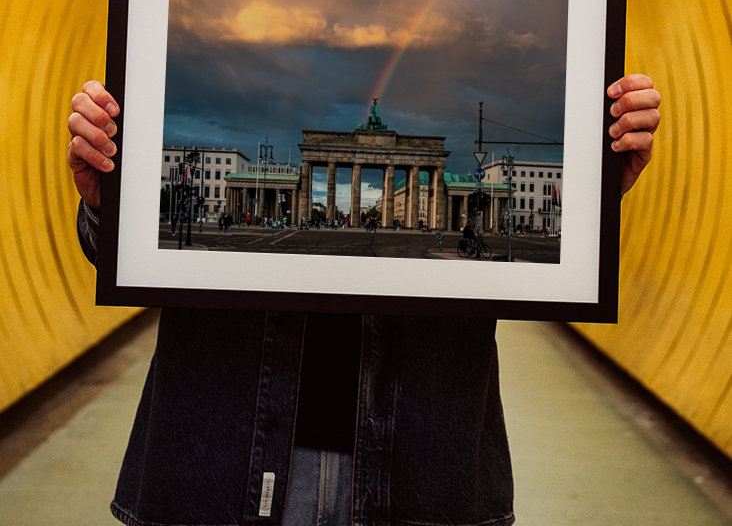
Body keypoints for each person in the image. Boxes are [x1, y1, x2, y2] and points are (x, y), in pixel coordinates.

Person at [68, 74, 661, 526]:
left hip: (423, 467)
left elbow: (562, 274)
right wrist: (110, 205)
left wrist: (594, 204)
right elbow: (121, 259)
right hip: (223, 458)